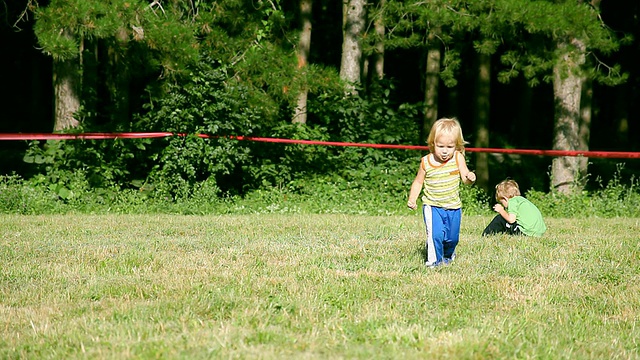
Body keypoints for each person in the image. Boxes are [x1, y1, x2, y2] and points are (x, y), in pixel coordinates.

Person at [407, 117, 476, 267]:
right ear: (433, 144)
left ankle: (448, 255)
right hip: (432, 206)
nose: (445, 151)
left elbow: (465, 177)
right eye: (440, 146)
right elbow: (418, 181)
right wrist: (412, 198)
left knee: (452, 239)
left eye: (450, 147)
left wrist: (470, 178)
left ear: (456, 146)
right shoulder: (426, 161)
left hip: (453, 207)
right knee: (435, 235)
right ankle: (433, 262)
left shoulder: (458, 158)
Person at [481, 179, 546, 237]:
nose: (503, 205)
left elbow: (511, 220)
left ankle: (486, 235)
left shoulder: (512, 201)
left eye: (501, 202)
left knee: (500, 218)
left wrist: (501, 211)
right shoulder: (522, 200)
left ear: (505, 198)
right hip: (538, 233)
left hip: (526, 233)